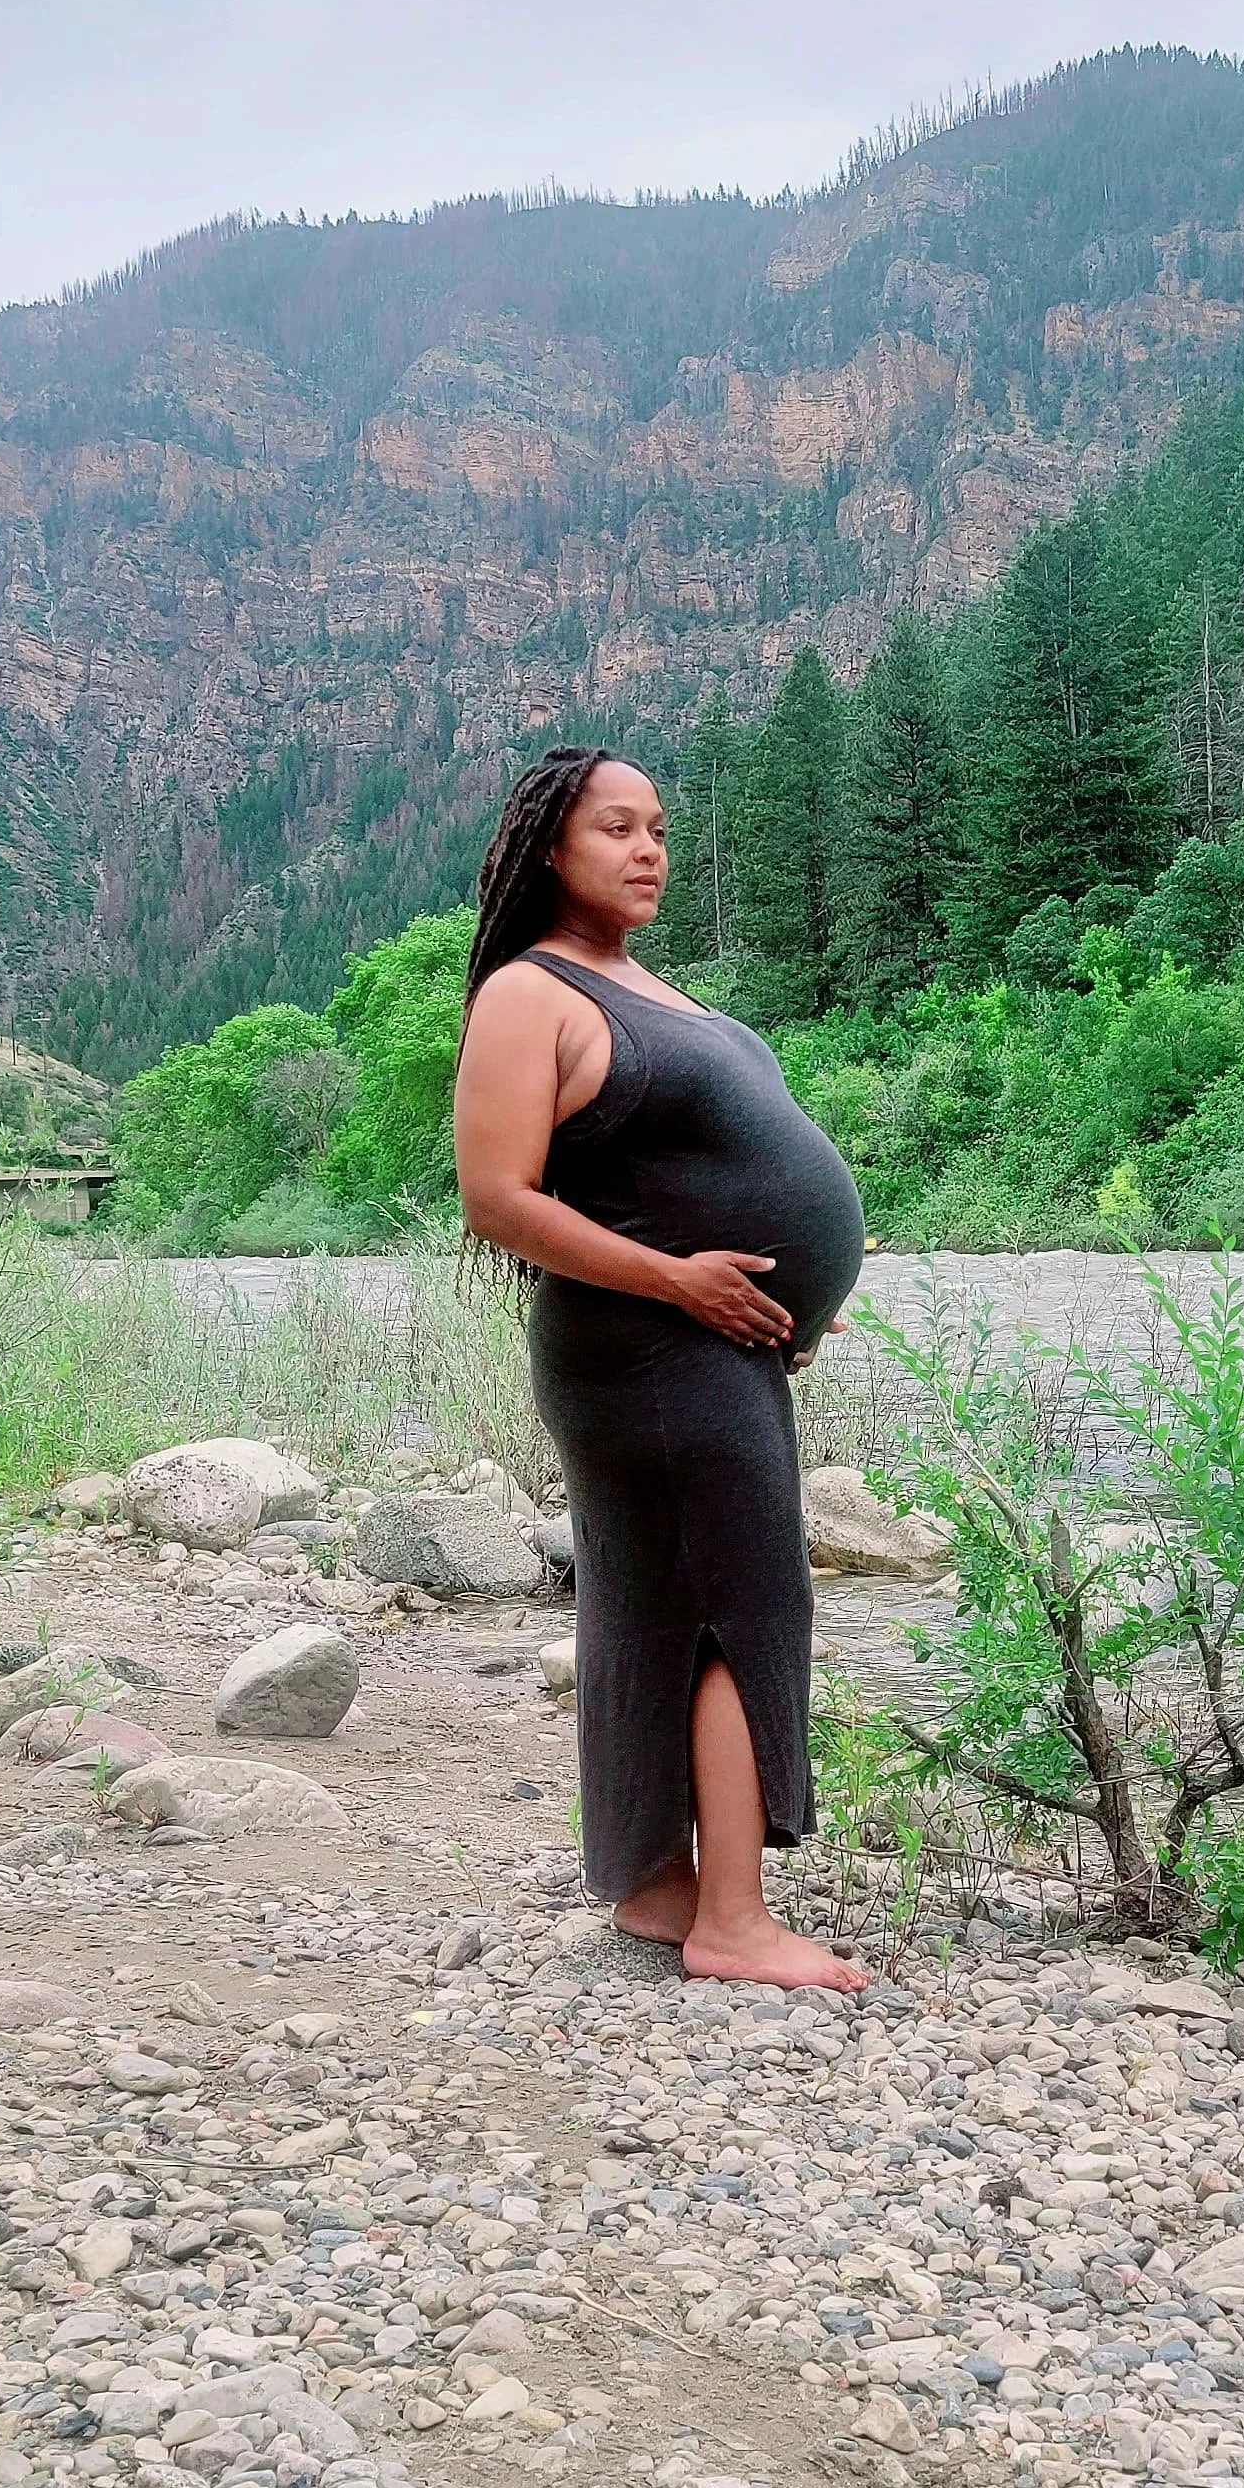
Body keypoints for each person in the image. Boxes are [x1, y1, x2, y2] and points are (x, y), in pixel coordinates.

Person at [453, 743, 870, 1992]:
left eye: (659, 830)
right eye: (616, 829)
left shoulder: (645, 986)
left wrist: (789, 1288)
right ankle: (734, 1924)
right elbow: (497, 1198)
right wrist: (686, 1281)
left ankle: (658, 1888)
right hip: (640, 1349)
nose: (648, 851)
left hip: (699, 1341)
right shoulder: (530, 995)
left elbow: (681, 1171)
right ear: (548, 849)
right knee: (740, 1603)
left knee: (653, 1606)